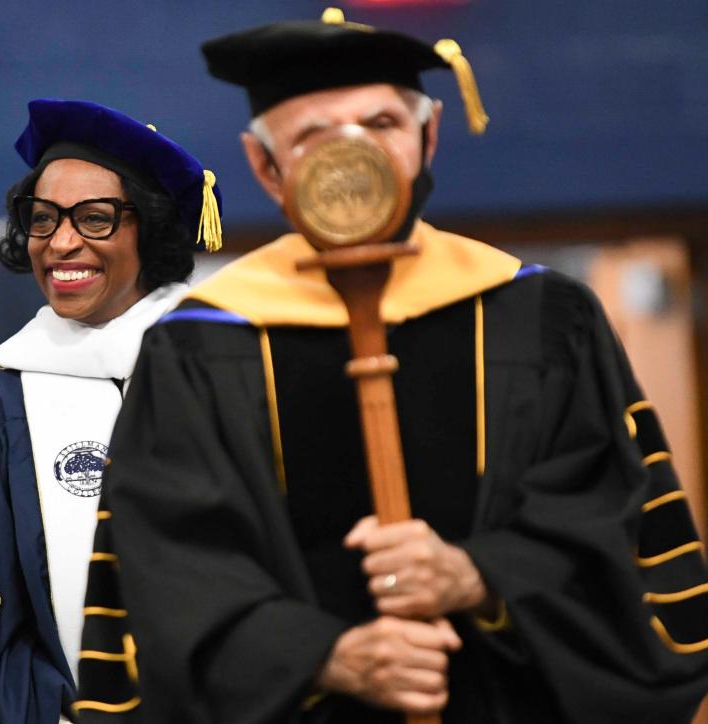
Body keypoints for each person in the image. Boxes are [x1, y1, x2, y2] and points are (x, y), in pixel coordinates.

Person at [74, 9, 708, 723]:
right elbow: (177, 569)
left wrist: (478, 575)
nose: (354, 158)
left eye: (381, 125)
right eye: (314, 136)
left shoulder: (539, 317)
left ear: (427, 136)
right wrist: (325, 655)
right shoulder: (199, 345)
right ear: (266, 167)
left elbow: (603, 517)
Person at [0, 99, 221, 722]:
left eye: (95, 219)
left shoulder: (227, 370)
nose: (62, 242)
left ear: (150, 230)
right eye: (43, 219)